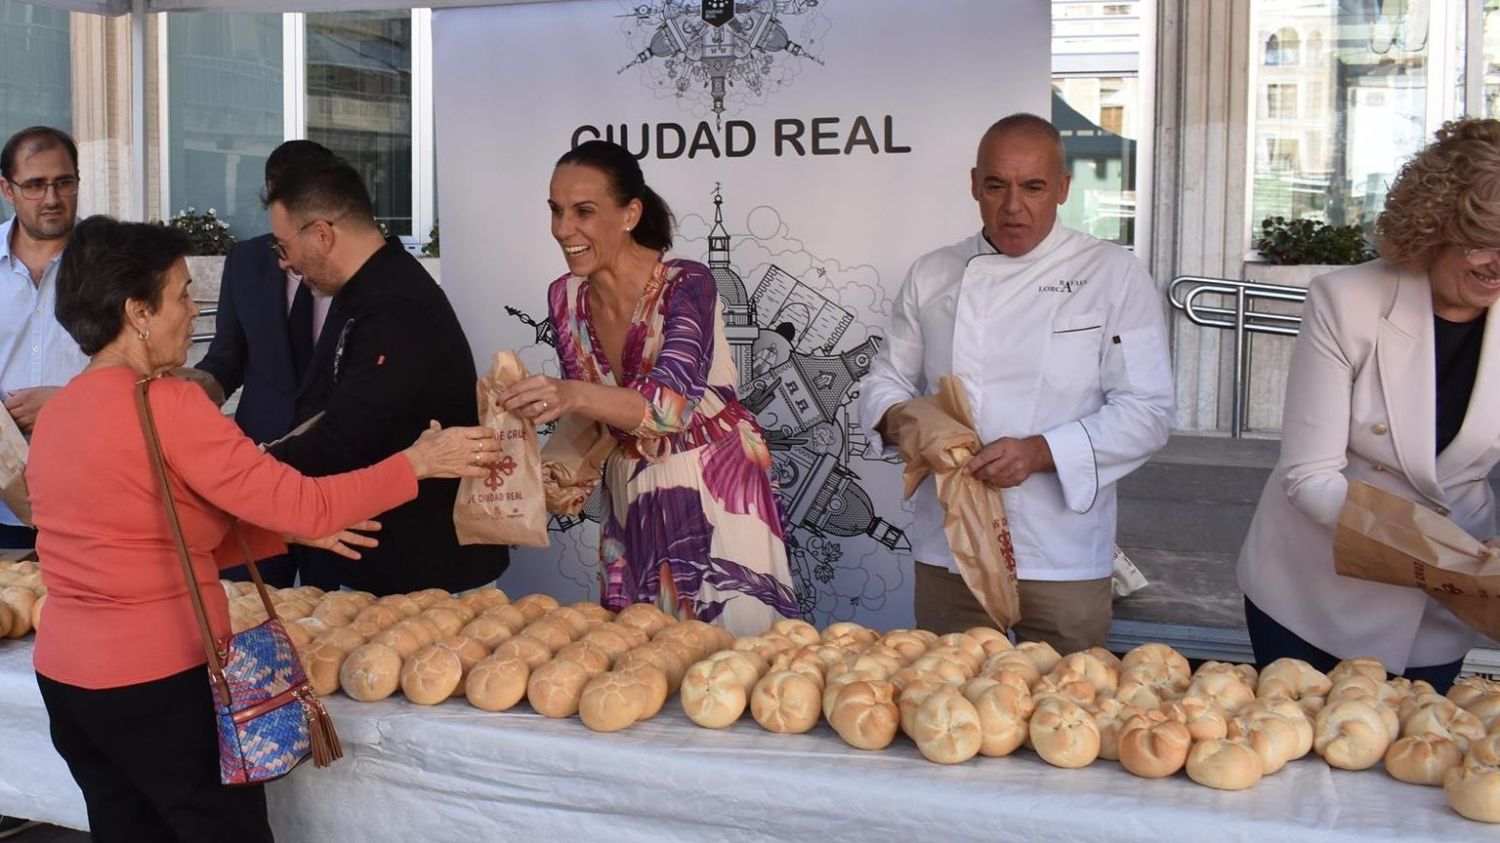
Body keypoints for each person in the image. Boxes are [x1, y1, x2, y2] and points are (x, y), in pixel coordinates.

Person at [27, 216, 499, 842]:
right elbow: (299, 502)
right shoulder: (167, 404)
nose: (191, 315)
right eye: (179, 297)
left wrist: (291, 534)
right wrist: (417, 463)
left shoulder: (61, 412)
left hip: (68, 679)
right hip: (158, 679)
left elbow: (144, 530)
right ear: (137, 311)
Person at [858, 113, 1173, 654]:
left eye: (1033, 187)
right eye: (997, 186)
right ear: (975, 184)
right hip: (951, 544)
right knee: (947, 707)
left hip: (1061, 551)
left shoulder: (1112, 274)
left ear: (1062, 190)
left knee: (1065, 714)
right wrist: (908, 421)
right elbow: (886, 378)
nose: (1013, 207)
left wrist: (1039, 452)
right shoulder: (932, 273)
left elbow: (1147, 410)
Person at [1237, 117, 1500, 693]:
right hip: (1313, 594)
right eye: (1484, 242)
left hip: (1441, 607)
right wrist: (1439, 550)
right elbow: (1309, 476)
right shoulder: (1346, 300)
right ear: (1434, 226)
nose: (1497, 266)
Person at [499, 140, 799, 635]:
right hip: (629, 494)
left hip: (714, 488)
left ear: (630, 213)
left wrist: (568, 393)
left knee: (731, 663)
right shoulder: (564, 295)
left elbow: (668, 410)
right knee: (641, 660)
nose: (562, 229)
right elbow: (594, 411)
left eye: (583, 212)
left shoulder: (689, 284)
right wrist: (532, 443)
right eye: (555, 211)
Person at [263, 156, 509, 595]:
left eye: (283, 247)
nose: (284, 263)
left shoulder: (396, 304)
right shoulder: (361, 290)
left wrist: (248, 477)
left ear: (321, 234)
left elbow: (346, 436)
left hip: (430, 574)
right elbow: (333, 411)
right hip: (387, 562)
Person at [191, 140, 341, 587]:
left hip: (336, 480)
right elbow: (226, 359)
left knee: (334, 619)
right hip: (257, 476)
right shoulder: (246, 261)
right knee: (249, 612)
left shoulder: (359, 271)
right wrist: (190, 394)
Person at [0, 126, 86, 551]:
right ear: (7, 189)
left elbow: (147, 371)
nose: (51, 198)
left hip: (89, 491)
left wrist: (70, 402)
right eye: (34, 185)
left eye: (63, 183)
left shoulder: (111, 263)